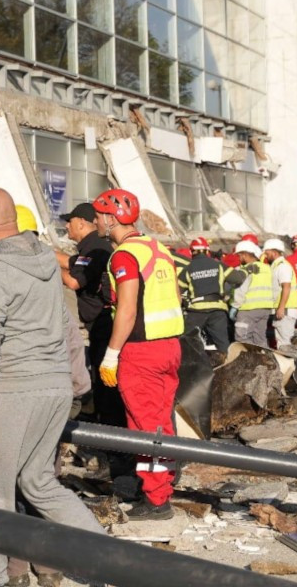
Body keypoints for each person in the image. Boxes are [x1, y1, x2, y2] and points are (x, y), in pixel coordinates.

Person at [0, 187, 104, 586]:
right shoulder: (44, 257)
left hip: (12, 389)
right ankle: (111, 561)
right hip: (55, 388)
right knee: (38, 482)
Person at [93, 188, 183, 520]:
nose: (95, 220)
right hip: (170, 347)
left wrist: (111, 354)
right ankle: (164, 485)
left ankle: (157, 500)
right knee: (160, 423)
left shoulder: (123, 256)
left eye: (98, 214)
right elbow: (175, 296)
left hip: (141, 352)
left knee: (144, 428)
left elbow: (127, 311)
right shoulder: (158, 248)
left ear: (110, 218)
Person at [54, 202, 116, 423]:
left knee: (105, 381)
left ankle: (109, 431)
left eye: (69, 222)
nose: (66, 227)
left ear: (81, 222)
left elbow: (73, 281)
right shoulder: (90, 248)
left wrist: (46, 264)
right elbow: (72, 263)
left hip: (104, 324)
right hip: (98, 322)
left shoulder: (95, 249)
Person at [179, 236, 239, 354]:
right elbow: (238, 278)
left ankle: (190, 369)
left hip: (196, 312)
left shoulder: (188, 268)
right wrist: (247, 270)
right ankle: (226, 365)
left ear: (192, 251)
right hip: (217, 311)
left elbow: (178, 290)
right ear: (207, 251)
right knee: (223, 344)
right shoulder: (218, 265)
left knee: (186, 342)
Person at [230, 240, 273, 347]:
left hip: (248, 309)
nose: (239, 259)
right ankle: (264, 361)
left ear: (244, 255)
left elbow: (240, 290)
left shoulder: (245, 270)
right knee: (260, 339)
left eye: (239, 256)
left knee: (242, 340)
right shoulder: (268, 269)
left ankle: (247, 362)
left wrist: (235, 306)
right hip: (265, 309)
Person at [263, 238, 297, 346]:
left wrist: (281, 308)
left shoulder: (282, 266)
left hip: (285, 310)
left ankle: (289, 363)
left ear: (274, 253)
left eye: (267, 253)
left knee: (285, 344)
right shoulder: (276, 266)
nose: (265, 256)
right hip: (283, 310)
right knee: (282, 343)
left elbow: (286, 287)